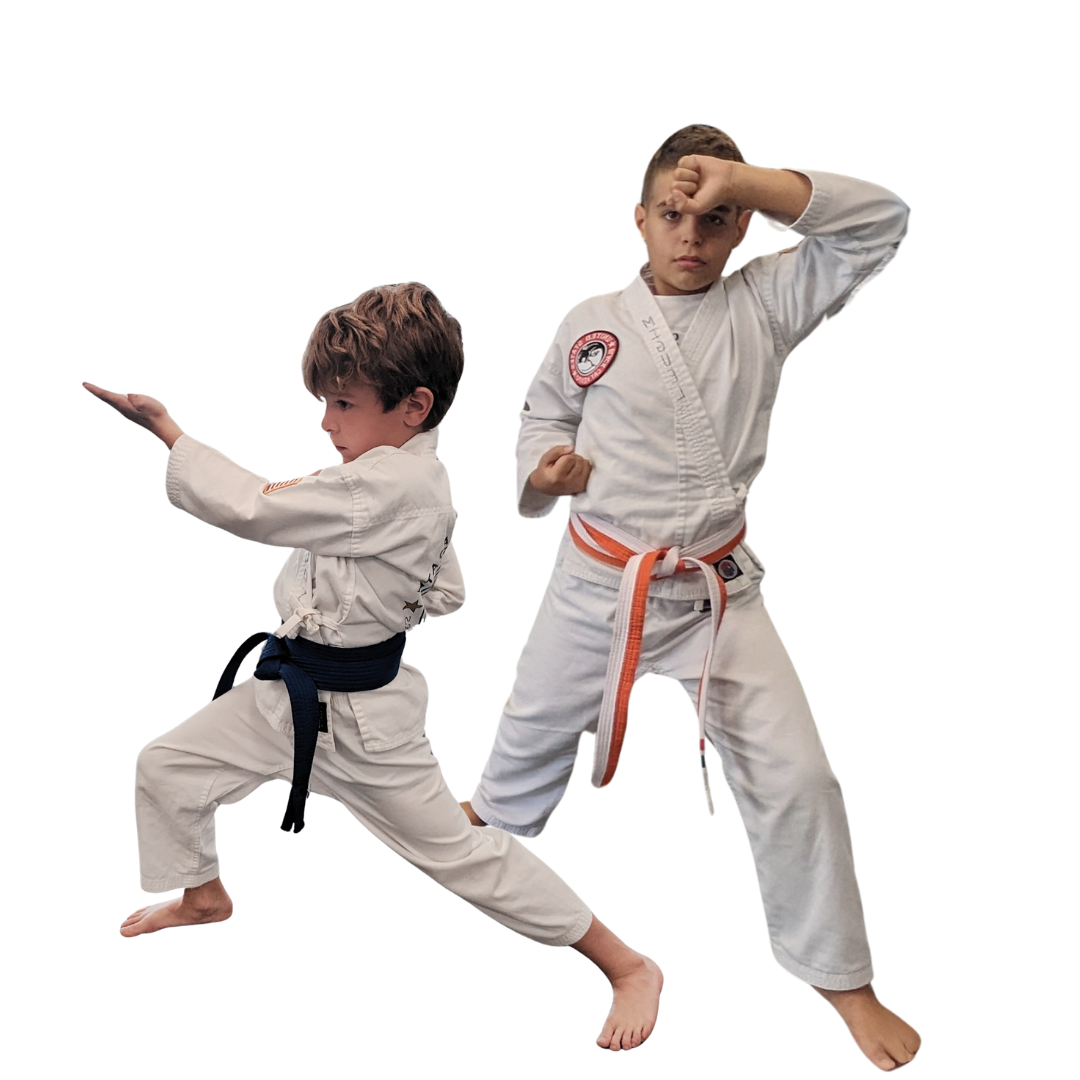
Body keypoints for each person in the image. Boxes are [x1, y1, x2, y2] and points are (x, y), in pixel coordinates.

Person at [84, 282, 664, 1053]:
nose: (325, 424)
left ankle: (627, 964)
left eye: (343, 405)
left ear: (414, 406)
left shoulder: (391, 485)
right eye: (324, 404)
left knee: (461, 858)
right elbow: (449, 586)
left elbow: (254, 509)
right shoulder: (407, 479)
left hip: (364, 723)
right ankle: (203, 894)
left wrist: (170, 434)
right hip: (289, 692)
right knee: (165, 766)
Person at [460, 127, 922, 1072]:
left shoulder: (769, 302)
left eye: (717, 218)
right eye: (672, 214)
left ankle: (841, 975)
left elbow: (884, 223)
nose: (691, 235)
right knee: (521, 743)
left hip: (715, 593)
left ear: (746, 227)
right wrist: (545, 472)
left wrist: (751, 176)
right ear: (638, 219)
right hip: (598, 581)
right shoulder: (592, 321)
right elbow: (540, 413)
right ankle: (482, 859)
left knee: (801, 779)